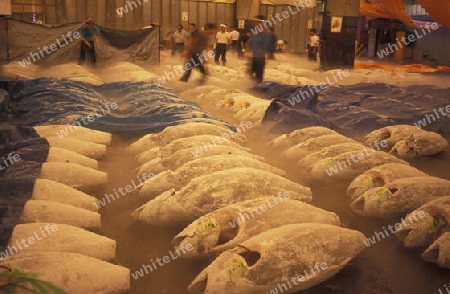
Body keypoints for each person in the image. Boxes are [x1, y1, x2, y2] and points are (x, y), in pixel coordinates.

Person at [248, 15, 271, 83]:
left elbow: (267, 46)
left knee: (259, 76)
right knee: (251, 73)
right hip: (254, 57)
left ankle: (258, 87)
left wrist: (267, 54)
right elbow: (250, 44)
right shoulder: (254, 33)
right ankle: (253, 86)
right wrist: (247, 51)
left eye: (258, 22)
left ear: (262, 23)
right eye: (256, 22)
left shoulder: (265, 34)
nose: (256, 24)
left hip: (260, 58)